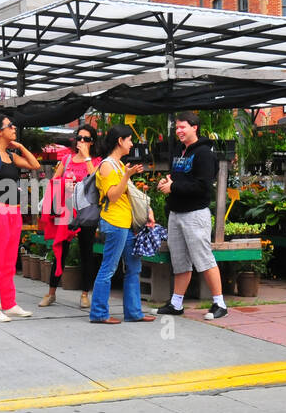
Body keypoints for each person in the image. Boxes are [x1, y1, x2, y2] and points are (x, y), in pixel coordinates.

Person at [156, 111, 228, 320]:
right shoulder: (178, 150)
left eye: (182, 127)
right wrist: (167, 182)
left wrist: (174, 186)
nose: (178, 131)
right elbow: (177, 176)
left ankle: (219, 303)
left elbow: (203, 187)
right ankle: (176, 303)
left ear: (194, 127)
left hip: (195, 214)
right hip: (176, 214)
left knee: (203, 258)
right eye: (177, 127)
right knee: (179, 261)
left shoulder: (205, 153)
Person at [90, 125, 156, 324]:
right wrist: (127, 176)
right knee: (109, 268)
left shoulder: (118, 164)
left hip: (125, 223)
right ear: (120, 141)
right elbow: (112, 195)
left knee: (134, 267)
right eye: (129, 139)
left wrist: (147, 211)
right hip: (115, 222)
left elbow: (131, 194)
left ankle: (134, 312)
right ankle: (99, 313)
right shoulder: (108, 165)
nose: (132, 143)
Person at [0, 113, 41, 322]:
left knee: (8, 261)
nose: (14, 128)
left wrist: (20, 146)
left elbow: (35, 166)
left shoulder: (11, 155)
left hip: (14, 211)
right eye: (9, 126)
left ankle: (9, 303)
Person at [38, 123, 100, 309]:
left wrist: (87, 156)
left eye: (86, 139)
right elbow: (54, 181)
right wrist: (63, 186)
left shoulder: (96, 161)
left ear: (92, 142)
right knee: (60, 251)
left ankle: (84, 294)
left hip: (86, 213)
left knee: (86, 253)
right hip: (66, 211)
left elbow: (96, 181)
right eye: (79, 138)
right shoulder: (66, 160)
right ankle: (51, 292)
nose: (81, 141)